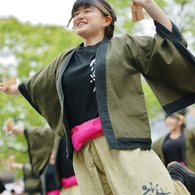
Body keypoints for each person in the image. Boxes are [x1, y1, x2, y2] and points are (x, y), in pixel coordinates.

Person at [1, 0, 195, 194]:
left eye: (87, 10)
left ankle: (180, 181)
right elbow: (37, 83)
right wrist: (12, 89)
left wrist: (148, 4)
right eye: (75, 13)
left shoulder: (124, 46)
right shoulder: (65, 61)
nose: (79, 16)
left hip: (119, 141)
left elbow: (167, 42)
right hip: (83, 150)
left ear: (106, 20)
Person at [3, 119, 81, 195]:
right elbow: (40, 133)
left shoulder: (69, 132)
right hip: (63, 189)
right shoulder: (46, 165)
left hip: (78, 184)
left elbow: (41, 133)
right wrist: (16, 130)